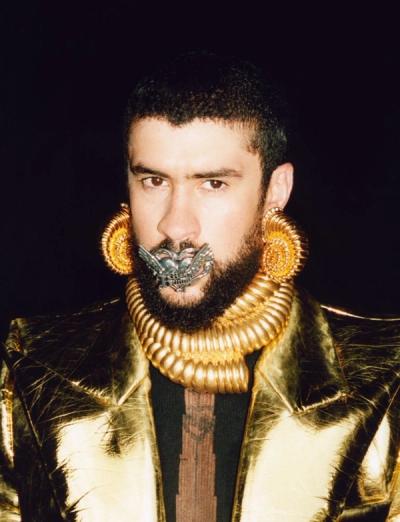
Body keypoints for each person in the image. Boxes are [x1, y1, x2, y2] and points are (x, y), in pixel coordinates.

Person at [1, 52, 400, 522]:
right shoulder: (33, 368)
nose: (175, 226)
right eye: (154, 181)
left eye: (213, 184)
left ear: (275, 190)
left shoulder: (386, 381)